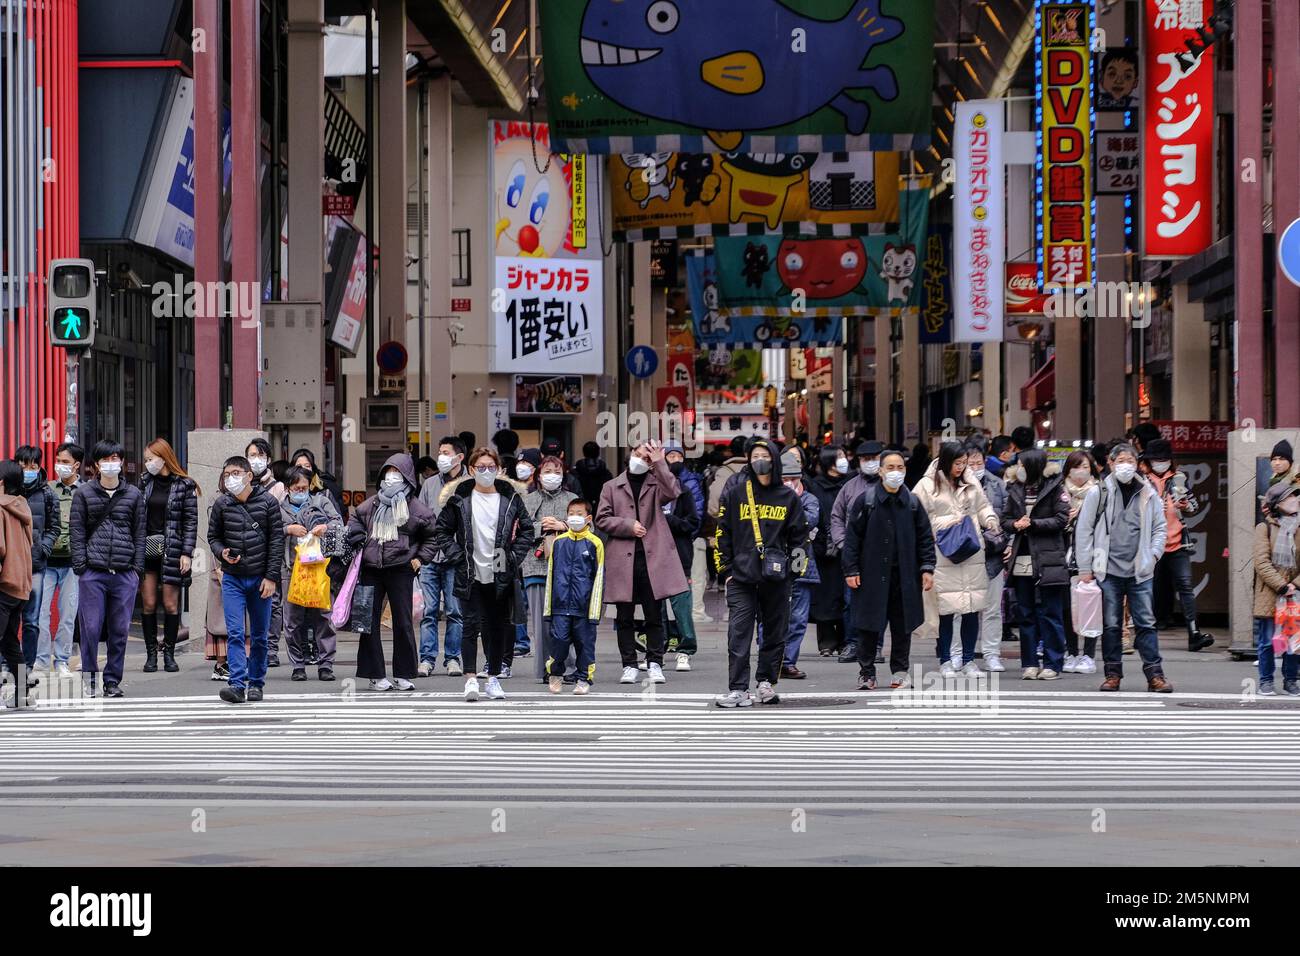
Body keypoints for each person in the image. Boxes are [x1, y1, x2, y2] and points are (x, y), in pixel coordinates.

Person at [432, 447, 534, 701]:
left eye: (491, 467)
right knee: (469, 624)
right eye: (481, 467)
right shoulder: (460, 498)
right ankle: (470, 680)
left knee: (496, 626)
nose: (486, 472)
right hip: (470, 570)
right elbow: (442, 530)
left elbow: (527, 531)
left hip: (499, 570)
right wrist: (457, 556)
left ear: (499, 470)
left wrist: (512, 559)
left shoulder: (510, 498)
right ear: (471, 470)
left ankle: (493, 678)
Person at [712, 438, 806, 707]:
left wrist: (794, 574)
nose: (759, 461)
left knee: (775, 632)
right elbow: (723, 533)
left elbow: (800, 538)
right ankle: (738, 689)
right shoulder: (736, 493)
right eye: (754, 456)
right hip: (741, 578)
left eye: (764, 455)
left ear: (775, 459)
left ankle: (766, 683)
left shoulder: (788, 497)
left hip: (777, 579)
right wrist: (726, 571)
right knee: (738, 632)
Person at [1075, 442, 1171, 693]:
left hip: (1140, 568)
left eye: (1130, 460)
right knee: (1112, 625)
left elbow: (1161, 528)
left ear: (1137, 464)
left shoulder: (1147, 492)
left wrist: (1153, 555)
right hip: (1107, 570)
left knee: (1146, 623)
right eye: (1120, 461)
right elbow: (1084, 530)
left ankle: (1155, 675)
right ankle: (1112, 674)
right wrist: (1085, 568)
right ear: (1111, 463)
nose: (1125, 466)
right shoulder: (1099, 493)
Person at [843, 449, 936, 690]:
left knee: (902, 627)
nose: (896, 473)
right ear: (881, 471)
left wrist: (927, 568)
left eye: (900, 468)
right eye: (891, 468)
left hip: (905, 576)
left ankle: (900, 671)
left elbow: (925, 537)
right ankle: (866, 672)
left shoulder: (913, 503)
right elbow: (852, 538)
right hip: (871, 575)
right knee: (868, 626)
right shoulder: (867, 501)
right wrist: (851, 570)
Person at [597, 441, 687, 686]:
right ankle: (629, 664)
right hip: (622, 557)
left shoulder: (655, 483)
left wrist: (659, 461)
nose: (640, 460)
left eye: (646, 459)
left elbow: (673, 491)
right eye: (637, 455)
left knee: (654, 613)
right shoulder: (611, 486)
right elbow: (602, 519)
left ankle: (655, 662)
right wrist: (627, 526)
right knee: (624, 615)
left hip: (652, 557)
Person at [346, 453, 436, 693]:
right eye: (388, 472)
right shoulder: (371, 504)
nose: (392, 477)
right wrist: (357, 538)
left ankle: (404, 673)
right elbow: (354, 520)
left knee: (404, 622)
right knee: (367, 622)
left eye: (397, 473)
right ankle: (374, 674)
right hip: (370, 569)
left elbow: (433, 537)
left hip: (401, 569)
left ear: (407, 476)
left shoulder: (417, 508)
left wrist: (419, 559)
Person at [913, 441, 1000, 678]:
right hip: (942, 553)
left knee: (972, 607)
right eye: (958, 463)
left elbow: (983, 506)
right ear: (946, 461)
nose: (961, 467)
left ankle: (969, 660)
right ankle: (945, 659)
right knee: (946, 609)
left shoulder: (970, 481)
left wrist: (990, 520)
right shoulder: (926, 484)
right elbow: (918, 516)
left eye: (964, 463)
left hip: (971, 551)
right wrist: (947, 524)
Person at [72, 440, 146, 698]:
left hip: (124, 572)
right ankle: (90, 678)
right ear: (96, 464)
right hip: (93, 572)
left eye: (116, 458)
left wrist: (136, 567)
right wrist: (81, 565)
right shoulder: (83, 494)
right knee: (90, 628)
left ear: (123, 463)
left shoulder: (134, 494)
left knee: (119, 630)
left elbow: (140, 532)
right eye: (106, 459)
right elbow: (77, 530)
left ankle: (112, 680)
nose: (111, 463)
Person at [208, 456, 284, 704]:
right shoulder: (221, 504)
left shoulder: (269, 503)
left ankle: (257, 683)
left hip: (261, 579)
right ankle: (237, 684)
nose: (231, 478)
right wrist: (222, 553)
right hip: (233, 579)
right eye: (227, 473)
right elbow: (213, 537)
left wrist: (271, 577)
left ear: (249, 475)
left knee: (260, 635)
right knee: (236, 632)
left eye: (236, 473)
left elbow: (276, 543)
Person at [1001, 449, 1070, 680]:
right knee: (1026, 612)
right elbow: (1004, 520)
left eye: (1021, 463)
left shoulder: (1055, 487)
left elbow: (1062, 519)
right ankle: (1029, 663)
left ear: (1032, 465)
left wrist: (1033, 523)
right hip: (1022, 556)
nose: (1018, 467)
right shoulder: (1015, 488)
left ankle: (1053, 663)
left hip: (1048, 557)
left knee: (1050, 611)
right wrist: (1016, 524)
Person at [1142, 439, 1214, 652]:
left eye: (1164, 459)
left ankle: (1194, 634)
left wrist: (1186, 505)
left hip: (1177, 543)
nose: (1160, 463)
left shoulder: (1179, 479)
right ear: (1149, 461)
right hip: (1152, 544)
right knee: (1148, 589)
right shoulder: (1143, 481)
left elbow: (1193, 505)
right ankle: (1146, 634)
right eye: (1156, 460)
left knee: (1185, 587)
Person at [138, 438, 199, 674]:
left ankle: (170, 654)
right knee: (149, 603)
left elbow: (191, 522)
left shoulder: (185, 485)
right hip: (147, 550)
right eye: (146, 460)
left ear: (164, 457)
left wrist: (187, 553)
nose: (147, 464)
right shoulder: (144, 483)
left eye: (150, 459)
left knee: (171, 604)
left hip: (172, 550)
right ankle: (151, 653)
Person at [280, 466, 343, 681]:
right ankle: (298, 665)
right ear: (288, 488)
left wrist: (325, 527)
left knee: (324, 617)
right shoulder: (279, 508)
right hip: (290, 569)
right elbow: (269, 530)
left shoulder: (321, 502)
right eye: (296, 488)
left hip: (320, 569)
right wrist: (288, 529)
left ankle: (326, 664)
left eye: (304, 487)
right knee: (292, 620)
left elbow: (339, 523)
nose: (301, 491)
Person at [521, 455, 578, 681]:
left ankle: (571, 667)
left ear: (563, 474)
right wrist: (541, 527)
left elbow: (588, 528)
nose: (551, 475)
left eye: (556, 470)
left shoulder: (573, 499)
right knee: (541, 624)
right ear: (538, 475)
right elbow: (518, 529)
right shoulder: (527, 499)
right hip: (536, 567)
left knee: (567, 619)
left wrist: (563, 525)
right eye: (547, 471)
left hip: (569, 569)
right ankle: (547, 668)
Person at [415, 436, 468, 677]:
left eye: (446, 452)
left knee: (455, 611)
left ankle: (452, 658)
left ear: (459, 457)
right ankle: (426, 659)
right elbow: (421, 518)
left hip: (456, 558)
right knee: (429, 610)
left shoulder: (471, 483)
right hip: (430, 557)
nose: (441, 457)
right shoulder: (429, 484)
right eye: (440, 452)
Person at [830, 439, 885, 663]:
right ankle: (852, 643)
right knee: (850, 600)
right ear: (859, 461)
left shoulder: (892, 486)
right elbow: (836, 517)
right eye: (865, 459)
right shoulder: (850, 487)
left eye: (874, 459)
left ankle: (877, 646)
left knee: (879, 602)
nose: (870, 463)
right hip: (854, 554)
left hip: (882, 554)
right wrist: (843, 544)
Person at [544, 498, 604, 695]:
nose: (574, 517)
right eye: (571, 513)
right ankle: (555, 674)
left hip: (584, 606)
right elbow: (551, 574)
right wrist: (549, 607)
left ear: (588, 518)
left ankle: (583, 678)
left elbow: (599, 576)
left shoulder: (595, 543)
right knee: (559, 641)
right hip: (560, 604)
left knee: (585, 644)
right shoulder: (559, 542)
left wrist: (594, 610)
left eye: (579, 514)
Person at [36, 442, 83, 677]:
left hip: (73, 563)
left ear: (76, 464)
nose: (60, 466)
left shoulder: (85, 492)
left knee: (67, 615)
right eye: (58, 461)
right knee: (41, 613)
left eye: (65, 462)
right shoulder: (47, 489)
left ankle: (62, 660)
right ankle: (41, 659)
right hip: (47, 562)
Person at [1252, 481, 1300, 696]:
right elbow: (1261, 562)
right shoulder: (1265, 528)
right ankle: (1266, 680)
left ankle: (1290, 681)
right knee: (1268, 640)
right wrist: (1281, 586)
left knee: (1294, 641)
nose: (1295, 500)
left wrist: (1294, 585)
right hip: (1270, 593)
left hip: (1295, 594)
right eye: (1289, 497)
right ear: (1277, 504)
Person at [13, 445, 58, 673]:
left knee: (31, 620)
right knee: (9, 619)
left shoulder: (48, 493)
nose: (28, 469)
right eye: (23, 465)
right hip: (11, 565)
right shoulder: (8, 490)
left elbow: (54, 527)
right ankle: (6, 663)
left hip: (36, 565)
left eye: (33, 465)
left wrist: (43, 548)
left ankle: (27, 666)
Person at [775, 451, 819, 679]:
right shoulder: (768, 500)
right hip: (773, 567)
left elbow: (807, 522)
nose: (789, 483)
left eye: (793, 479)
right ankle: (772, 659)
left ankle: (788, 661)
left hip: (802, 566)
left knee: (798, 619)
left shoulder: (810, 500)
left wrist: (790, 505)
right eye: (784, 479)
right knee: (772, 615)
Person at [966, 441, 1008, 672]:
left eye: (978, 462)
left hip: (993, 555)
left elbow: (1010, 515)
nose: (975, 467)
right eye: (970, 463)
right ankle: (963, 654)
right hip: (964, 555)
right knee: (964, 609)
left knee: (992, 609)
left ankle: (992, 653)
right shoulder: (955, 486)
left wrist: (1008, 543)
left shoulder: (997, 485)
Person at [0, 461, 36, 708]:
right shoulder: (22, 506)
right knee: (10, 641)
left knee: (8, 641)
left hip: (3, 585)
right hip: (20, 586)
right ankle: (23, 695)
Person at [808, 445, 849, 656]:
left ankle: (845, 640)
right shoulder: (815, 486)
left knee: (845, 594)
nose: (844, 460)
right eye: (840, 457)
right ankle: (826, 642)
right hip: (823, 548)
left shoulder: (851, 483)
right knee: (824, 595)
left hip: (847, 548)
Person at [662, 445, 701, 672]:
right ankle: (658, 648)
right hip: (655, 553)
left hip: (680, 552)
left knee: (681, 602)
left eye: (678, 457)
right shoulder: (652, 491)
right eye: (670, 457)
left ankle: (685, 649)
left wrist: (670, 520)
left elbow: (692, 523)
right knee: (655, 604)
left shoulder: (685, 491)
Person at [1062, 449, 1100, 673]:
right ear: (1068, 469)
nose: (1081, 471)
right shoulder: (1059, 492)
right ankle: (1071, 652)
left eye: (1086, 467)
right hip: (1065, 555)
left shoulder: (1098, 492)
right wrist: (1065, 518)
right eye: (1077, 466)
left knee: (1090, 605)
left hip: (1092, 556)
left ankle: (1088, 655)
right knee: (1068, 607)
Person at [706, 436, 750, 589]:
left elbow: (714, 501)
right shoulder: (762, 472)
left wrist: (719, 516)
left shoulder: (724, 472)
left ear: (730, 451)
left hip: (732, 527)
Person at [289, 447, 345, 520]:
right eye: (299, 466)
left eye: (307, 466)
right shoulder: (286, 492)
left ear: (313, 469)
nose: (303, 469)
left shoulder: (325, 491)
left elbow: (338, 520)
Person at [573, 440, 613, 509]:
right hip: (601, 505)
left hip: (581, 506)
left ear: (584, 453)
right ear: (598, 453)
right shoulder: (605, 472)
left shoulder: (576, 472)